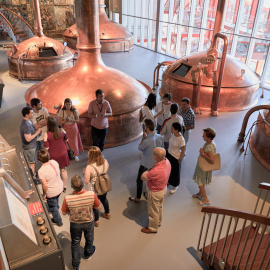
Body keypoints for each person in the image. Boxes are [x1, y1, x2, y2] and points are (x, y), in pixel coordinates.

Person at [62, 175, 101, 270]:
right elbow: (98, 207)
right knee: (89, 238)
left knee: (75, 242)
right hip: (88, 221)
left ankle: (75, 264)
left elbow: (63, 212)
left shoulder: (67, 198)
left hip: (75, 223)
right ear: (83, 184)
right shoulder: (91, 194)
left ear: (71, 186)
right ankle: (88, 254)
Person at [129, 119, 163, 204]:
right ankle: (148, 194)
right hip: (155, 163)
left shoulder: (147, 140)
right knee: (151, 181)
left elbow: (139, 148)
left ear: (146, 128)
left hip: (146, 164)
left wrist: (143, 138)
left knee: (139, 180)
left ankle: (137, 198)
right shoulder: (159, 136)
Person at [140, 147, 171, 234]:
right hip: (163, 189)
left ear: (156, 157)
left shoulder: (156, 170)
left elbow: (143, 177)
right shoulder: (167, 162)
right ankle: (158, 222)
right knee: (159, 207)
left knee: (153, 211)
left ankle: (152, 228)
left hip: (155, 192)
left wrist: (147, 171)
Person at [83, 146, 110, 227]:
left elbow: (86, 180)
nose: (87, 155)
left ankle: (97, 220)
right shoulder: (105, 161)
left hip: (93, 189)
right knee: (104, 199)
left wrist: (84, 173)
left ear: (92, 156)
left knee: (95, 204)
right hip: (103, 185)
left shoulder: (89, 167)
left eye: (88, 154)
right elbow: (107, 169)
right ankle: (107, 213)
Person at [37, 149, 63, 226]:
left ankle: (58, 221)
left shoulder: (41, 171)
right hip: (59, 187)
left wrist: (44, 194)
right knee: (56, 200)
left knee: (52, 208)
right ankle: (56, 207)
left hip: (52, 192)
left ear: (39, 159)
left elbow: (45, 186)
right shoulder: (54, 162)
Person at [44, 116, 70, 192]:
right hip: (63, 153)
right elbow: (66, 140)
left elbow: (46, 148)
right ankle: (64, 187)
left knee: (54, 171)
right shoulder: (62, 130)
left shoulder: (47, 134)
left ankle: (56, 186)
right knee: (63, 170)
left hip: (53, 155)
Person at [192, 128, 216, 206]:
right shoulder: (209, 143)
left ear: (209, 137)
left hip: (204, 167)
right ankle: (200, 193)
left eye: (204, 136)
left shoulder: (210, 147)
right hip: (202, 165)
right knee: (201, 181)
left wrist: (203, 153)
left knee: (200, 182)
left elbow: (212, 160)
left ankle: (206, 199)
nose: (202, 136)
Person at [20, 107, 41, 175]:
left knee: (33, 162)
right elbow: (28, 139)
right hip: (30, 147)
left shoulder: (28, 120)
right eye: (31, 113)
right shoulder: (26, 125)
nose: (33, 114)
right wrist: (37, 133)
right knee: (32, 163)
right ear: (26, 115)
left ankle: (34, 173)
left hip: (32, 146)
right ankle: (33, 176)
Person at [166, 122, 185, 194]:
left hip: (175, 157)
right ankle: (170, 181)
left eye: (172, 129)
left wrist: (180, 159)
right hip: (169, 154)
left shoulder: (181, 139)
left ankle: (175, 185)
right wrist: (168, 149)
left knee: (175, 172)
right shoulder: (173, 134)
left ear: (177, 130)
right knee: (169, 169)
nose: (171, 130)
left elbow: (183, 150)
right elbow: (170, 143)